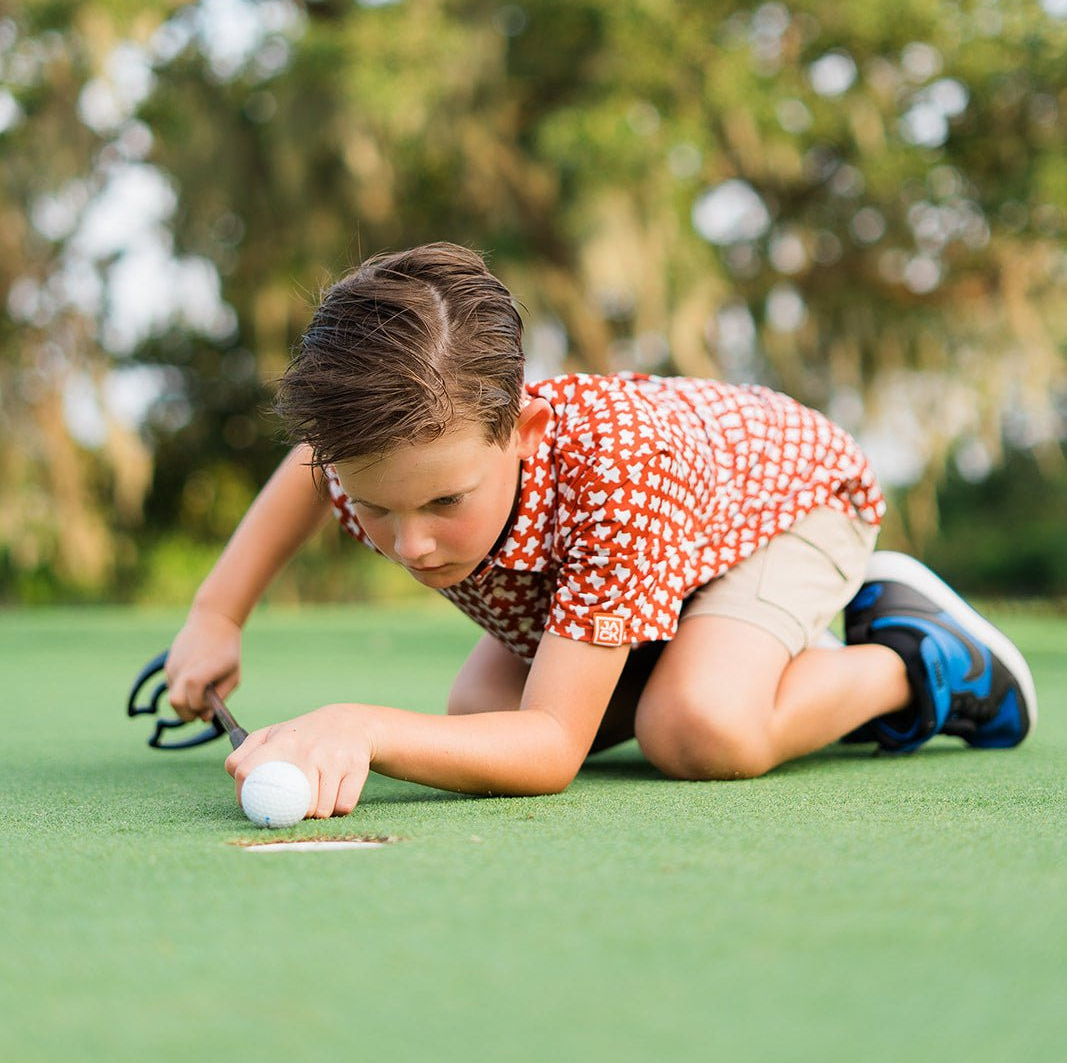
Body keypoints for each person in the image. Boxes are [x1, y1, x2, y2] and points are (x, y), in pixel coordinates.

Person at [165, 243, 1037, 818]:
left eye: (442, 504)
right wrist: (216, 613)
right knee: (477, 716)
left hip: (787, 504)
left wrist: (360, 724)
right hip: (655, 553)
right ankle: (703, 649)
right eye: (376, 506)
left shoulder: (617, 477)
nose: (411, 544)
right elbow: (305, 470)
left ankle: (918, 656)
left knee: (695, 729)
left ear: (525, 432)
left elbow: (549, 750)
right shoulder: (373, 449)